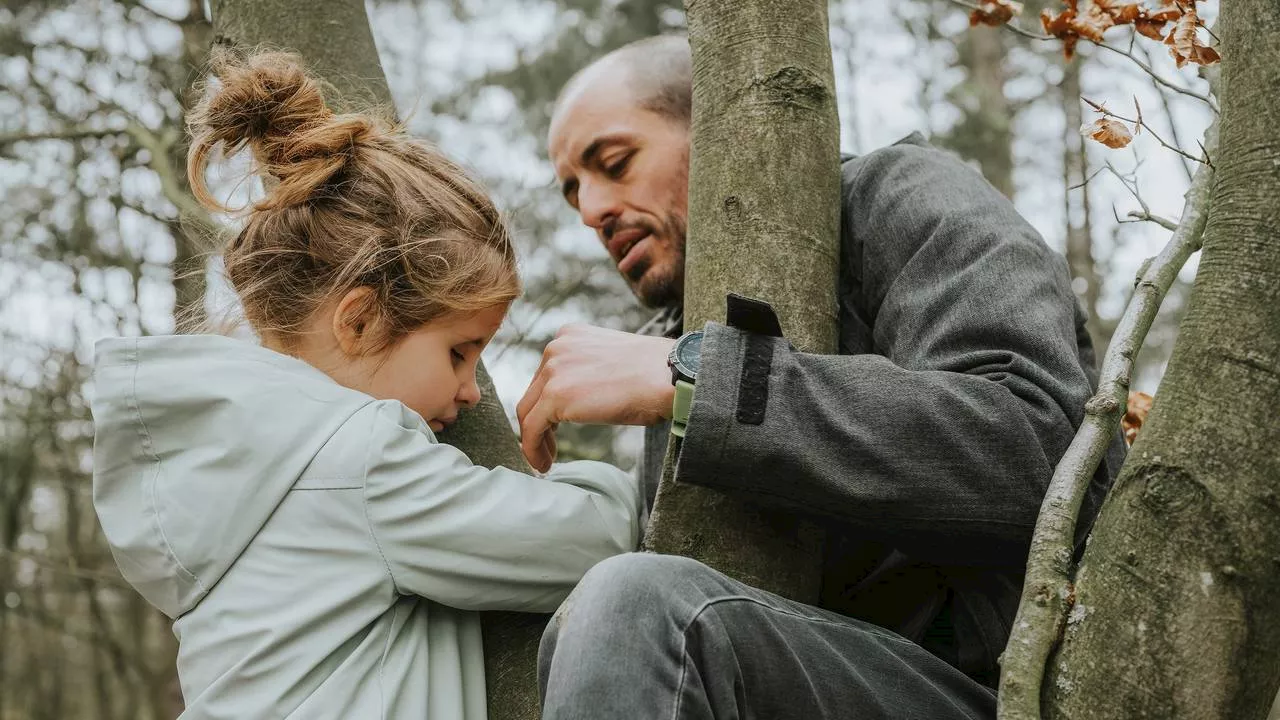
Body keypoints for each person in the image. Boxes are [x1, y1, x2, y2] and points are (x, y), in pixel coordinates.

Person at [519, 35, 1127, 718]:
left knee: (634, 604)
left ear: (720, 129)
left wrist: (699, 381)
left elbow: (1031, 449)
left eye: (615, 163)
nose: (592, 210)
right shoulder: (672, 351)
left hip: (1005, 695)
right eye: (574, 191)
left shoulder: (901, 192)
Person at [89, 49, 641, 720]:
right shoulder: (358, 463)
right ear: (358, 320)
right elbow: (600, 538)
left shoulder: (238, 464)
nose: (470, 391)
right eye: (459, 352)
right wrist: (594, 478)